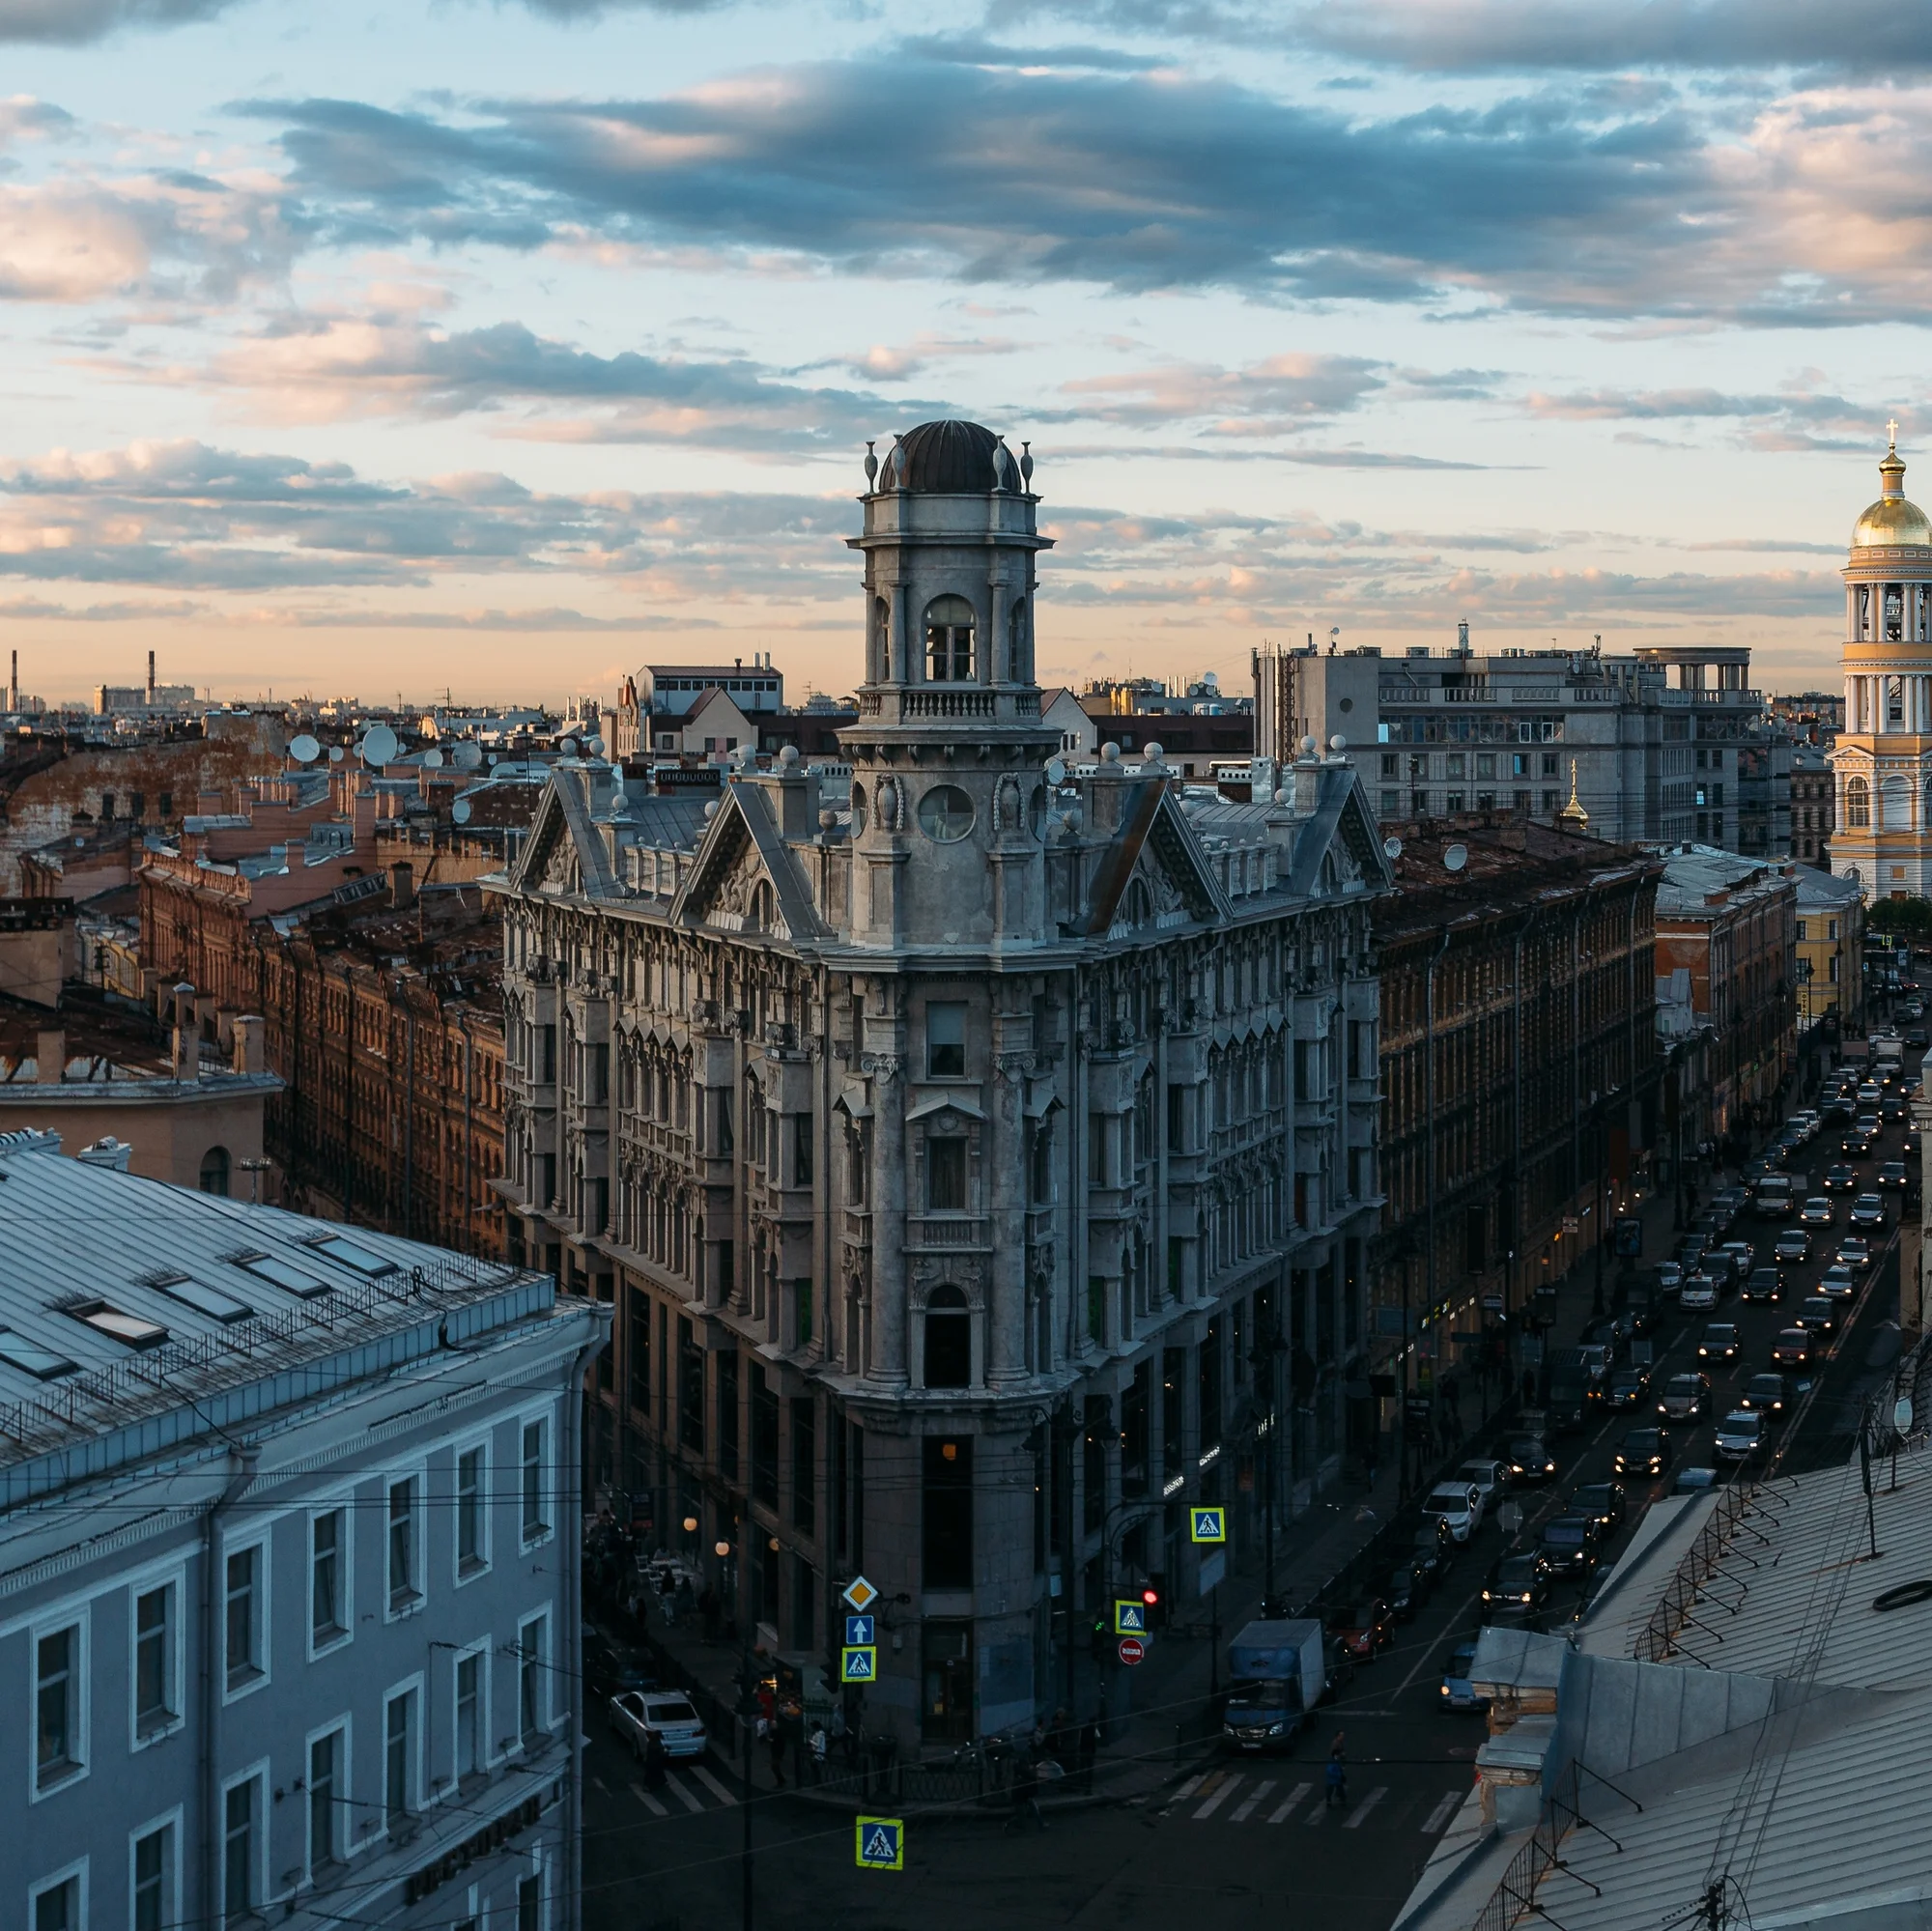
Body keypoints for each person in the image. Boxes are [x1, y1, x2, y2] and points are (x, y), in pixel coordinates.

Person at [1005, 1743, 1045, 1833]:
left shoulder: (1022, 1768)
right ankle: (1012, 1825)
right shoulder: (1022, 1769)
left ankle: (1040, 1823)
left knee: (1032, 1809)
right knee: (1022, 1815)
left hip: (1024, 1793)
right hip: (1020, 1795)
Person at [1325, 1733, 1348, 1809]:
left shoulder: (1336, 1760)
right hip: (1333, 1780)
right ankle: (1330, 1802)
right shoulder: (1333, 1762)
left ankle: (1342, 1801)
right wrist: (1340, 1775)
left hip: (1336, 1780)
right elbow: (1331, 1771)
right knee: (1330, 1791)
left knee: (1339, 1791)